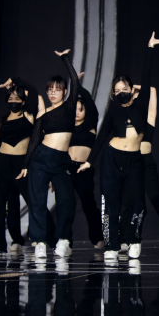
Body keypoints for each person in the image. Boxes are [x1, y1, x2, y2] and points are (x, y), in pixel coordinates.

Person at [78, 32, 159, 261]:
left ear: (132, 89)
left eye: (123, 88)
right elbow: (101, 137)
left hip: (134, 159)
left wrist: (150, 48)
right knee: (110, 203)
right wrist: (89, 161)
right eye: (116, 90)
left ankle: (134, 240)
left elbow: (147, 76)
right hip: (112, 158)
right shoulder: (113, 111)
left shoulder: (141, 103)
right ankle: (111, 245)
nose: (120, 93)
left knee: (137, 202)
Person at [20, 50, 80, 259]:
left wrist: (64, 58)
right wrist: (26, 164)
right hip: (41, 159)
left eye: (57, 89)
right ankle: (39, 242)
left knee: (67, 200)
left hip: (61, 161)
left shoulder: (70, 107)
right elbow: (34, 140)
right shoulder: (43, 113)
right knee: (37, 201)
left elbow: (74, 79)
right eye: (50, 90)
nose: (53, 93)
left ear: (65, 91)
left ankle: (63, 240)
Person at [0, 77, 57, 255]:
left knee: (35, 202)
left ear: (23, 101)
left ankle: (54, 240)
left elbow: (33, 91)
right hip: (1, 164)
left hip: (21, 164)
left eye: (17, 99)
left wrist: (14, 81)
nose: (13, 101)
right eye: (10, 98)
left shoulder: (28, 115)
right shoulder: (3, 119)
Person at [118, 86, 159, 252]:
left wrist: (136, 88)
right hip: (129, 162)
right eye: (135, 97)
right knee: (129, 202)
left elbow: (152, 90)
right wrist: (130, 94)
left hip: (146, 162)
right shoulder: (126, 117)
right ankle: (127, 239)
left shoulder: (149, 118)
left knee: (156, 199)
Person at [67, 73, 104, 250]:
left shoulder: (90, 123)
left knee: (89, 205)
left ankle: (97, 238)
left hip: (84, 170)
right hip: (67, 169)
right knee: (66, 205)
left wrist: (76, 83)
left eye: (80, 109)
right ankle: (65, 241)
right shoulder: (66, 126)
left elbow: (88, 99)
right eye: (74, 109)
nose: (76, 112)